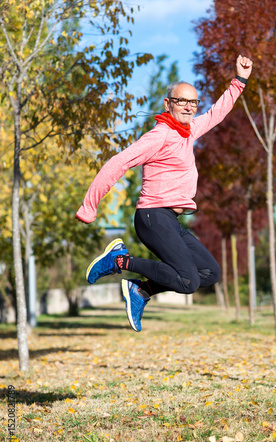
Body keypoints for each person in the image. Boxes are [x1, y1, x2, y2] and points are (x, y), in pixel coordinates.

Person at [76, 55, 253, 332]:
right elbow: (118, 162)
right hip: (152, 217)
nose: (189, 106)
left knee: (209, 273)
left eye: (193, 102)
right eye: (181, 100)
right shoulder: (159, 135)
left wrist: (239, 80)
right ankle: (118, 261)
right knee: (188, 281)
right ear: (167, 104)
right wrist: (90, 206)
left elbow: (217, 112)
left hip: (169, 220)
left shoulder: (188, 131)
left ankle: (141, 290)